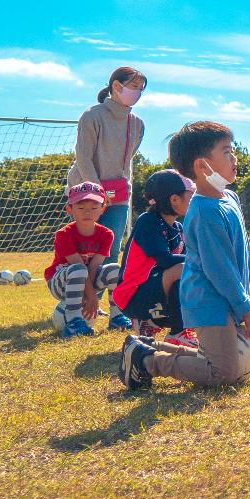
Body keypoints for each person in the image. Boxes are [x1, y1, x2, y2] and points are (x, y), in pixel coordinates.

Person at [119, 121, 250, 391]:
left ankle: (148, 346)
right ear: (201, 166)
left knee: (242, 360)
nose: (235, 157)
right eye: (227, 151)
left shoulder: (230, 198)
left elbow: (243, 249)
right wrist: (246, 310)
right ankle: (146, 361)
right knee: (224, 372)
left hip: (229, 299)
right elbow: (220, 271)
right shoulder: (204, 212)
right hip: (209, 302)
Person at [69, 65, 146, 330]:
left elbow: (127, 164)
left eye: (140, 89)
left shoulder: (137, 124)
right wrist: (97, 192)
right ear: (116, 86)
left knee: (111, 250)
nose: (136, 92)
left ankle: (114, 311)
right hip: (86, 192)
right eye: (133, 86)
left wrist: (118, 192)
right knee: (83, 250)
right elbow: (84, 157)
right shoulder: (92, 116)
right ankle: (79, 306)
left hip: (119, 195)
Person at [115, 169, 191, 339]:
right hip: (132, 296)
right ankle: (178, 333)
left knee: (192, 274)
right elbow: (165, 260)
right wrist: (203, 260)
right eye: (190, 195)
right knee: (184, 269)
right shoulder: (148, 221)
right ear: (174, 199)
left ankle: (151, 322)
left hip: (154, 293)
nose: (192, 200)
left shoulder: (178, 228)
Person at [48, 183, 117, 337]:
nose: (87, 211)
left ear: (103, 209)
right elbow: (79, 265)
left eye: (94, 207)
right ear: (69, 209)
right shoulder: (63, 234)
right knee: (79, 269)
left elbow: (94, 266)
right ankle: (73, 322)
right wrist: (92, 297)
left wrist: (89, 294)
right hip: (61, 283)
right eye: (81, 207)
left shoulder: (107, 234)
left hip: (87, 279)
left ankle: (117, 316)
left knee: (114, 269)